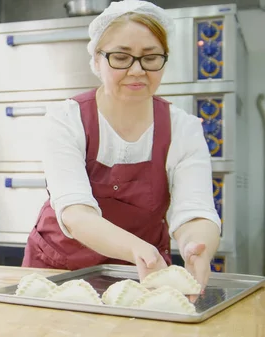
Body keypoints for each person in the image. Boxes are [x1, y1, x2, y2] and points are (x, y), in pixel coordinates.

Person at [21, 0, 221, 290]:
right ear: (97, 60)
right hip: (57, 272)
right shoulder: (66, 119)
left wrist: (195, 246)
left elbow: (196, 211)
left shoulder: (183, 129)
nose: (138, 70)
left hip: (139, 277)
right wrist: (136, 248)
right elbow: (76, 213)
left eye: (151, 57)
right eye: (121, 57)